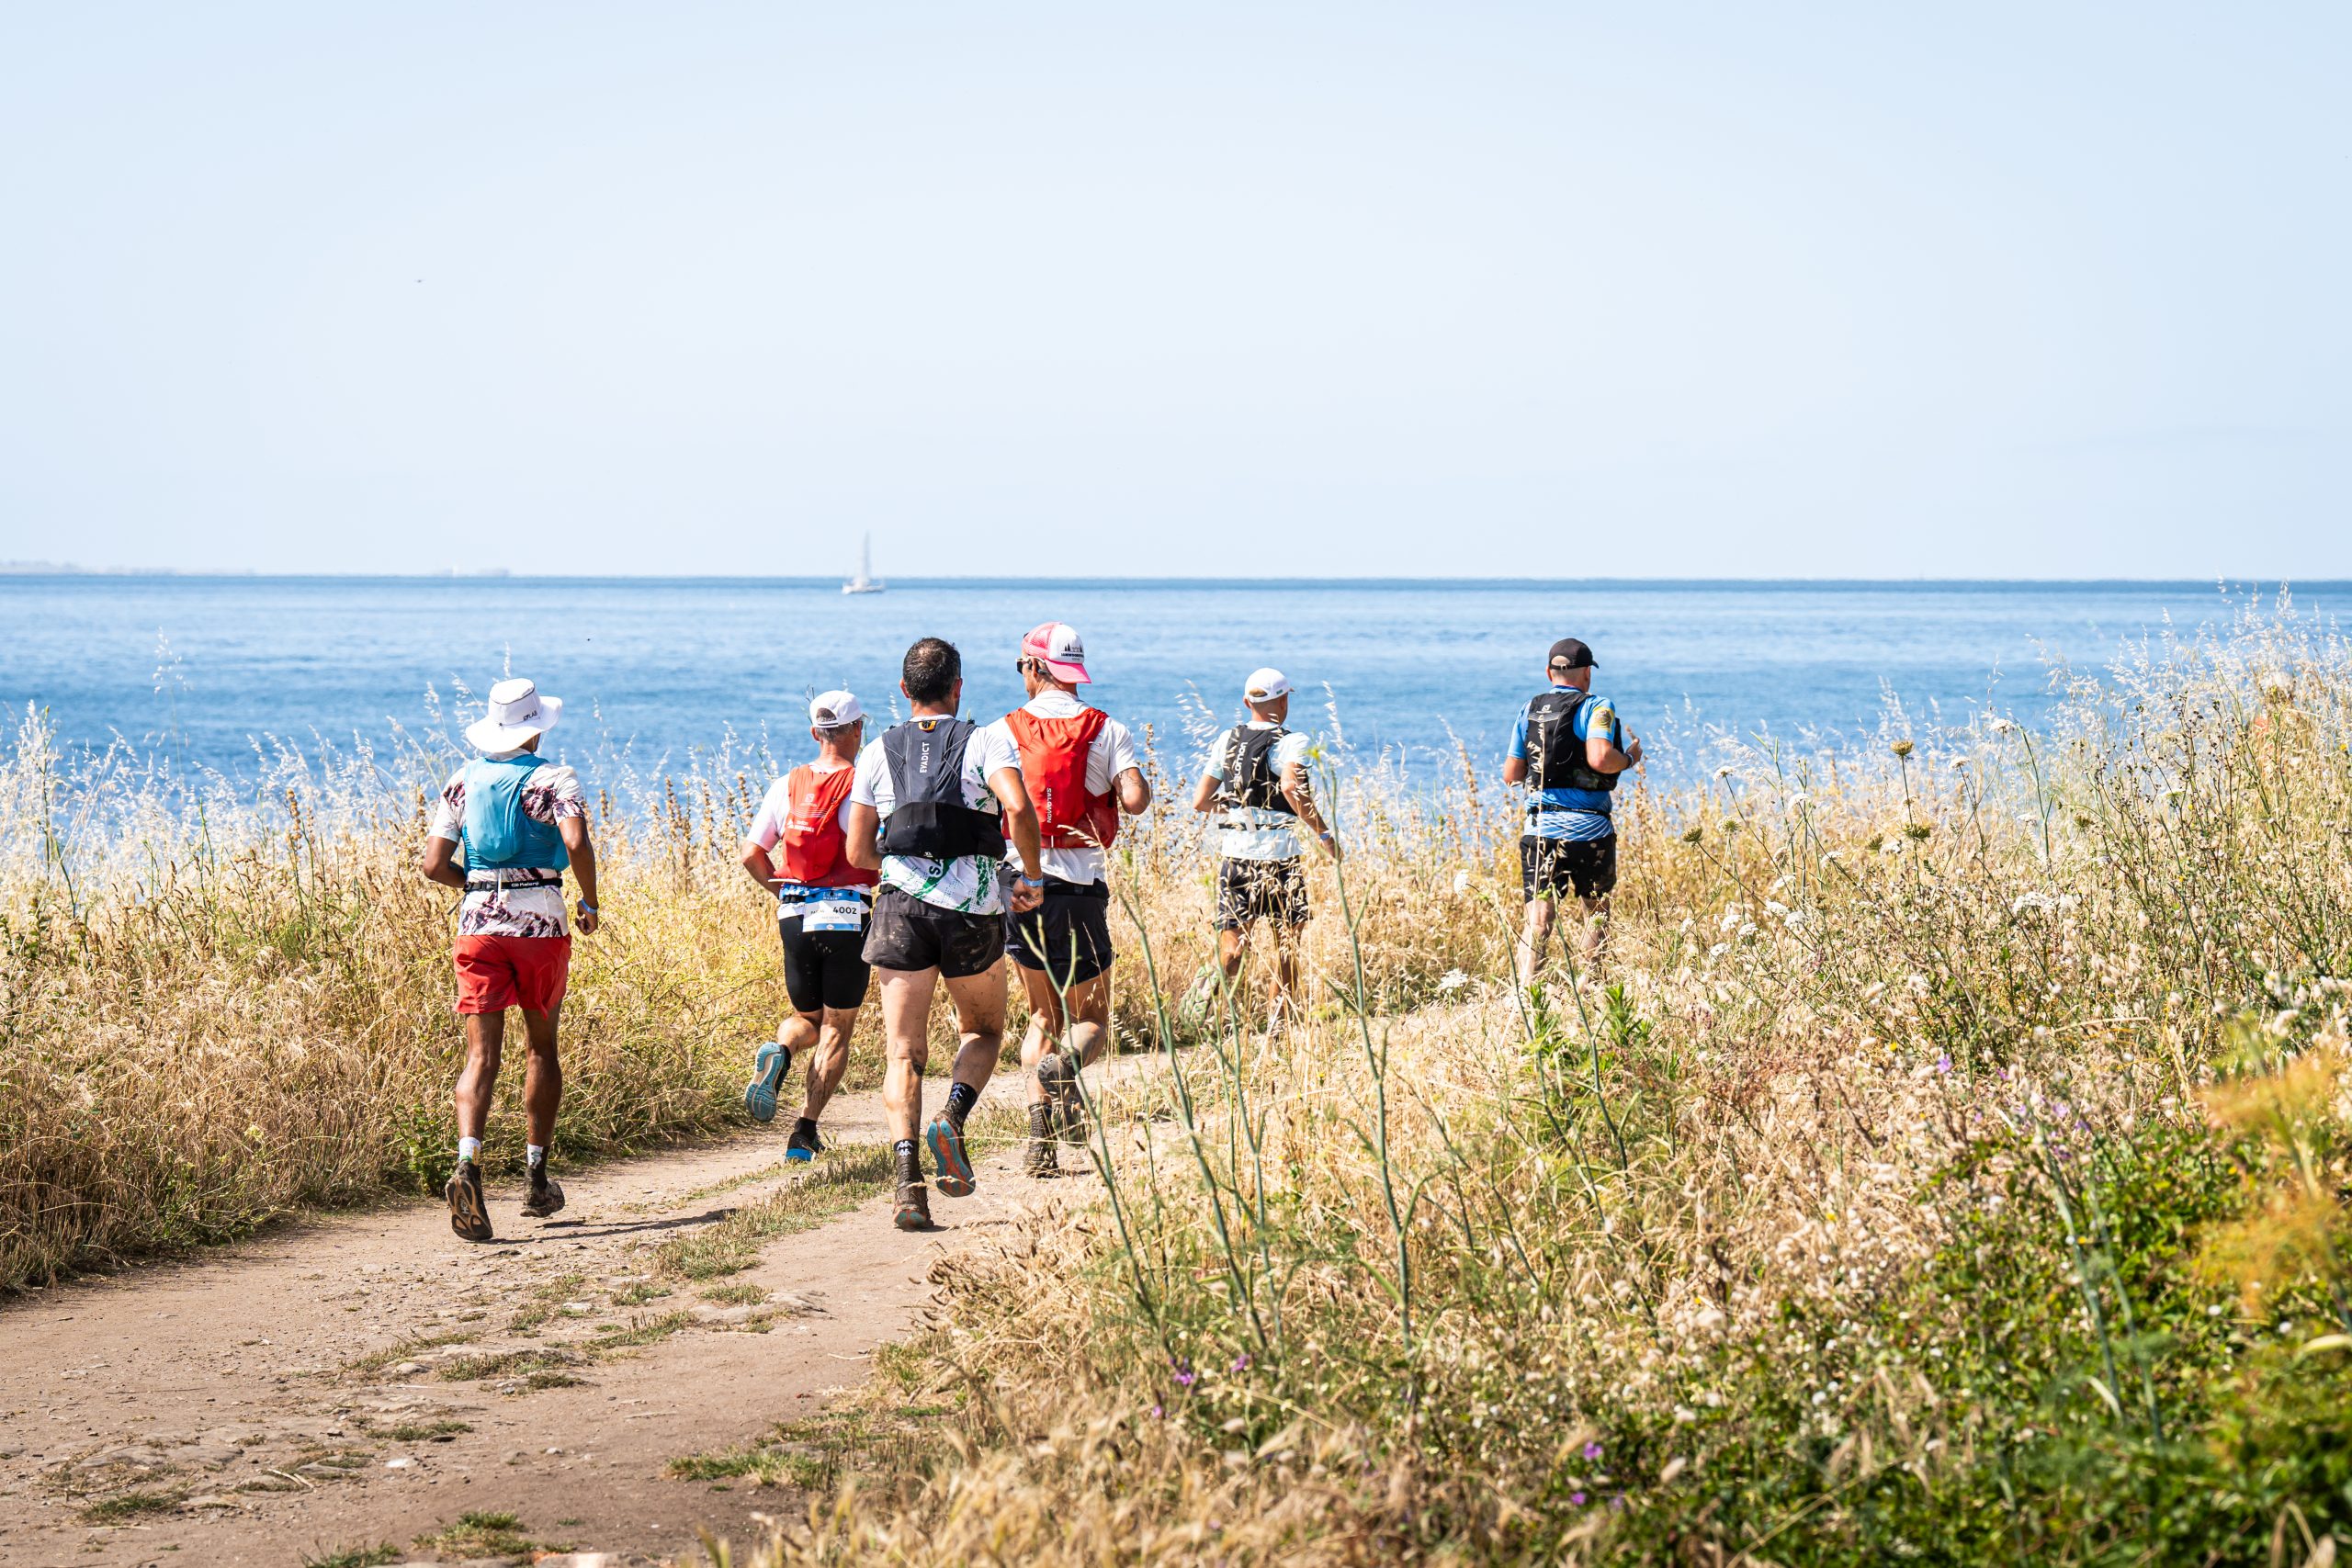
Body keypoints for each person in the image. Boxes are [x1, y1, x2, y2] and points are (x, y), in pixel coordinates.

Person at [843, 637, 1046, 1231]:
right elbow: (1019, 809)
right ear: (958, 688)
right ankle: (952, 1118)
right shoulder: (986, 740)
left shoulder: (876, 752)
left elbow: (857, 851)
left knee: (903, 1052)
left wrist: (904, 865)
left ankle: (908, 1186)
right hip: (972, 914)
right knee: (983, 1029)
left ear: (904, 690)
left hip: (900, 912)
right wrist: (1031, 877)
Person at [421, 677, 602, 1244]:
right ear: (536, 728)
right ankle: (536, 1178)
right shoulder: (554, 778)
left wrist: (477, 889)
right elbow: (575, 843)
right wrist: (589, 901)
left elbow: (433, 865)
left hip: (478, 924)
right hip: (540, 923)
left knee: (481, 1056)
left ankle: (467, 1165)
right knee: (541, 1048)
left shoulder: (461, 780)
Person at [987, 623, 1152, 1178]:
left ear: (1037, 668)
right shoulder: (1109, 729)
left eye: (1022, 665)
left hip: (1022, 887)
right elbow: (1135, 800)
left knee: (1042, 1015)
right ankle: (1066, 1067)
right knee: (1092, 1019)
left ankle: (1041, 1138)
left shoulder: (1003, 730)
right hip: (1080, 890)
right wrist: (1128, 784)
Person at [738, 690, 876, 1161]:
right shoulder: (863, 785)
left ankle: (780, 1051)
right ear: (858, 730)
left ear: (816, 732)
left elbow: (751, 854)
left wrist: (782, 893)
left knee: (806, 1020)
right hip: (846, 917)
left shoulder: (786, 784)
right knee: (836, 1027)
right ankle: (803, 1132)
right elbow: (870, 851)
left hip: (795, 915)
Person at [1189, 667, 1339, 1019]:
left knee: (1233, 950)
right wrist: (1324, 834)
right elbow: (1291, 787)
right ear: (1284, 701)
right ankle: (1277, 1029)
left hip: (1235, 857)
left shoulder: (1227, 738)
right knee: (1286, 948)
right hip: (1280, 858)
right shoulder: (1293, 741)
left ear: (1247, 703)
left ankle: (1204, 994)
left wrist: (1236, 809)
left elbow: (1200, 801)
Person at [1503, 637, 1642, 984]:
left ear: (1549, 672)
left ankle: (1526, 995)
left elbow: (1512, 774)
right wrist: (1629, 759)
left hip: (1540, 831)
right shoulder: (1598, 706)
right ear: (1587, 674)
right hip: (1590, 831)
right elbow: (1600, 758)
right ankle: (1589, 988)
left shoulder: (1529, 708)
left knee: (1538, 921)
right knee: (1596, 914)